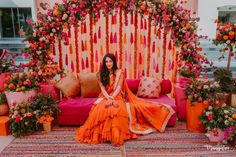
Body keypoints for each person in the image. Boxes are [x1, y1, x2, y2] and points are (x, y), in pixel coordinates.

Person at [75, 53, 175, 146]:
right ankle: (103, 136)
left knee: (117, 110)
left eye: (110, 61)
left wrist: (113, 98)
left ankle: (115, 136)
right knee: (101, 110)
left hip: (117, 96)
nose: (108, 63)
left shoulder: (119, 73)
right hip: (104, 97)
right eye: (106, 61)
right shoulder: (100, 74)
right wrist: (108, 98)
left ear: (114, 62)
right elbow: (102, 89)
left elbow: (118, 88)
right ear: (104, 63)